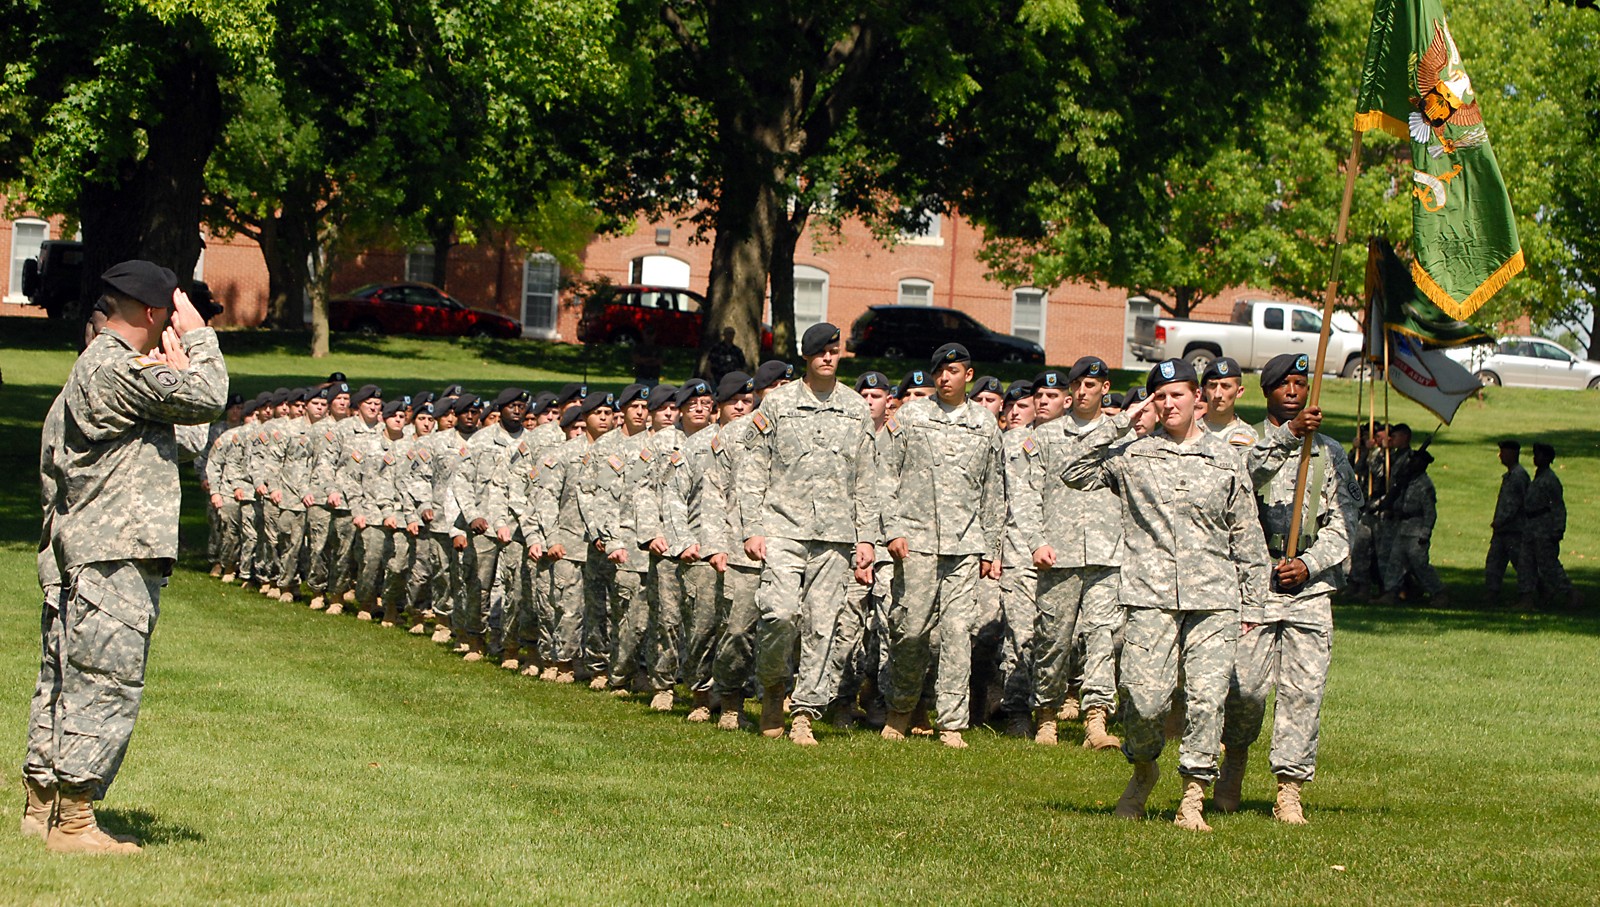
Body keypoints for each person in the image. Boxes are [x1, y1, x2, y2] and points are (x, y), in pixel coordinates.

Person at [25, 261, 226, 853]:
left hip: (89, 550)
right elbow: (211, 395)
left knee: (65, 680)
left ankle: (42, 807)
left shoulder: (98, 373)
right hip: (114, 552)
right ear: (150, 311)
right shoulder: (113, 367)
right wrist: (199, 340)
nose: (176, 321)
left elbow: (185, 436)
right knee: (104, 684)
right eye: (172, 310)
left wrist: (172, 374)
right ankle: (76, 823)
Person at [1062, 358, 1270, 832]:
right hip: (1150, 597)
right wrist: (1119, 422)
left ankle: (1193, 796)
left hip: (1214, 599)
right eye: (1160, 396)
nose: (1169, 403)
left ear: (1198, 398)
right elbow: (1072, 471)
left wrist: (1254, 603)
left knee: (1206, 698)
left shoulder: (1226, 458)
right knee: (1144, 698)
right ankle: (1144, 768)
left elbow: (1248, 536)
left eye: (1177, 394)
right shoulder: (1133, 456)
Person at [1215, 352, 1356, 825]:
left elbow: (1345, 525)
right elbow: (1235, 484)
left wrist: (1310, 564)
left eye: (1301, 383)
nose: (1294, 391)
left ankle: (1289, 789)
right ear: (1267, 392)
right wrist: (1288, 437)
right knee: (1246, 689)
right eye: (1284, 385)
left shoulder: (1330, 453)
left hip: (1308, 591)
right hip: (1254, 585)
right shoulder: (1241, 442)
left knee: (1303, 693)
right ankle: (1233, 762)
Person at [739, 325, 879, 745]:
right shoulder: (777, 404)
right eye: (820, 351)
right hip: (782, 527)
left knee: (823, 625)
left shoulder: (856, 410)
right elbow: (752, 469)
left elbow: (866, 479)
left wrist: (867, 538)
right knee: (780, 614)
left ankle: (804, 712)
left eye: (834, 351)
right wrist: (752, 527)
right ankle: (772, 690)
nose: (827, 358)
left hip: (835, 535)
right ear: (806, 356)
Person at [878, 343, 1005, 748]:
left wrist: (991, 547)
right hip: (915, 543)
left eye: (953, 370)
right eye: (939, 371)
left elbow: (994, 490)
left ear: (968, 374)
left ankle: (952, 722)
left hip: (965, 544)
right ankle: (901, 710)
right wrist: (893, 530)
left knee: (956, 632)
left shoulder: (985, 424)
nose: (944, 377)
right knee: (911, 630)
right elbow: (885, 476)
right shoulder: (912, 416)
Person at [1375, 424, 1448, 606]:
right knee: (1395, 561)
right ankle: (1391, 592)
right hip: (1402, 526)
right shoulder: (1408, 482)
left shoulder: (1424, 485)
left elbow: (1430, 512)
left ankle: (1438, 593)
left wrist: (1425, 533)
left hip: (1416, 529)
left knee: (1420, 564)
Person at [1522, 443, 1578, 609]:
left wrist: (1558, 529)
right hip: (1531, 527)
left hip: (1543, 528)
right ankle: (1527, 598)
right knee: (1526, 563)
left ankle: (1571, 593)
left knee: (1548, 565)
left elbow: (1558, 506)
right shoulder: (1538, 476)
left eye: (1539, 455)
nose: (1535, 458)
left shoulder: (1550, 480)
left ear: (1547, 458)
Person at [1486, 440, 1531, 604]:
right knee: (1494, 562)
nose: (1500, 455)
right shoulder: (1510, 475)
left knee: (1521, 564)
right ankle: (1492, 593)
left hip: (1514, 530)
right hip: (1503, 530)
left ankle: (1528, 596)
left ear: (1513, 454)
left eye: (1503, 452)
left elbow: (1516, 503)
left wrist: (1501, 521)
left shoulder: (1518, 476)